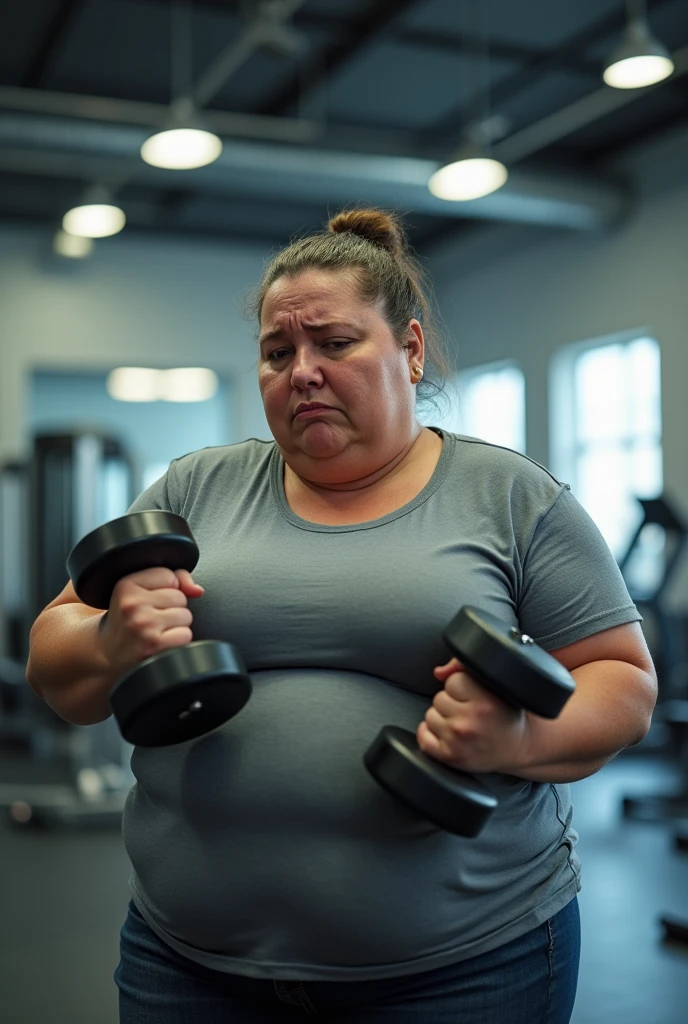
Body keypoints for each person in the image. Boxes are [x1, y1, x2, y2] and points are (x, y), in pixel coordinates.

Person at [26, 208, 657, 1024]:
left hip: (461, 970)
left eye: (335, 343)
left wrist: (523, 740)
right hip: (188, 966)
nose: (303, 372)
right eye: (277, 352)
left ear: (411, 348)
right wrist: (111, 639)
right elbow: (56, 666)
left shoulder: (509, 496)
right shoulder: (196, 489)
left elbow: (624, 683)